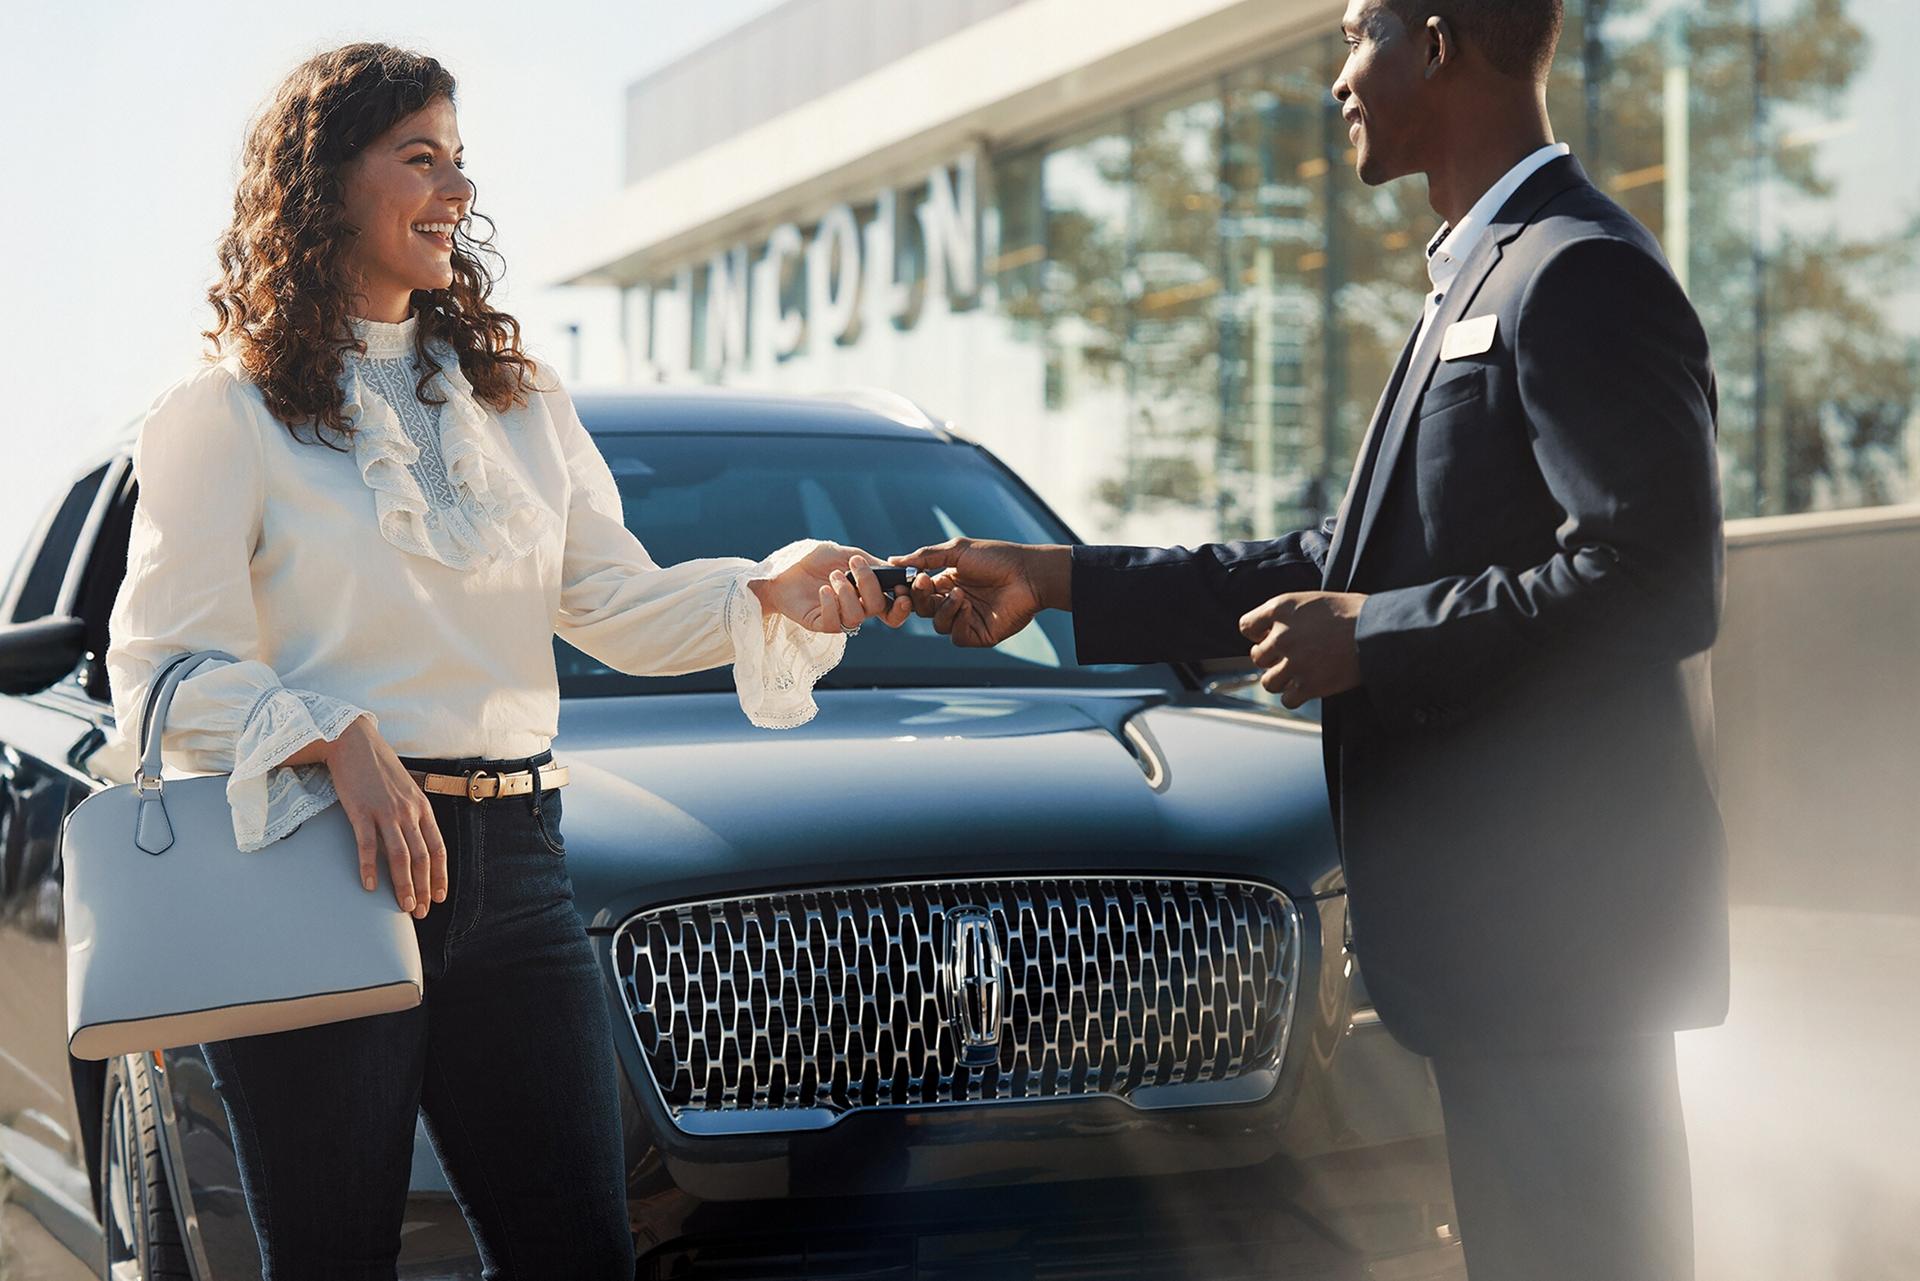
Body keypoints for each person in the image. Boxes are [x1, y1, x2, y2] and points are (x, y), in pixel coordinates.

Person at [890, 2, 1727, 1278]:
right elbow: (1333, 564)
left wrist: (1377, 638)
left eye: (1356, 36)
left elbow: (1657, 580)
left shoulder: (1578, 269)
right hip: (1498, 958)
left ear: (1435, 44)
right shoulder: (1477, 278)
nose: (1339, 78)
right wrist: (1055, 581)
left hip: (1564, 955)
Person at [103, 43, 908, 1280]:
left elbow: (610, 603)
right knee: (333, 1259)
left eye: (460, 162)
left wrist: (768, 587)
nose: (458, 190)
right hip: (325, 863)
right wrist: (335, 734)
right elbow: (163, 672)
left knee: (578, 1253)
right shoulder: (228, 411)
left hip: (521, 872)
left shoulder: (516, 400)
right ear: (326, 184)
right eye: (420, 158)